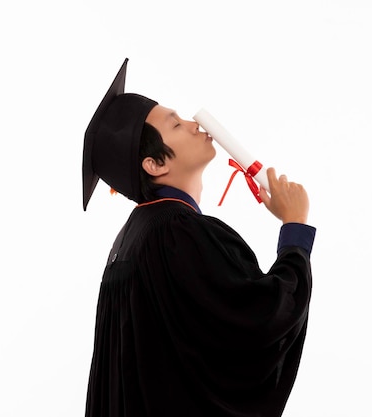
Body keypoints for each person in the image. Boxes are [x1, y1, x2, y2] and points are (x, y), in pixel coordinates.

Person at [82, 58, 316, 417]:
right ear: (155, 164)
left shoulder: (133, 237)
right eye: (176, 124)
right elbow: (261, 319)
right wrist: (295, 229)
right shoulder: (177, 231)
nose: (195, 125)